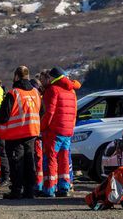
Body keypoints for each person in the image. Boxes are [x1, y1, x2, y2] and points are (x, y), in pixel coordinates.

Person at [0, 66, 41, 200]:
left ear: (16, 77)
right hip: (32, 132)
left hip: (16, 133)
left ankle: (16, 190)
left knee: (17, 163)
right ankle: (29, 190)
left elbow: (3, 116)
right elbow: (41, 111)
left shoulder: (13, 93)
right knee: (29, 161)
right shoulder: (35, 92)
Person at [40, 67, 77, 198]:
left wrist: (41, 127)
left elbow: (49, 112)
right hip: (67, 131)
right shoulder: (72, 91)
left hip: (54, 131)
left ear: (52, 77)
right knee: (64, 159)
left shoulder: (52, 90)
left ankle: (49, 189)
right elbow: (74, 114)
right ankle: (64, 187)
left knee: (50, 159)